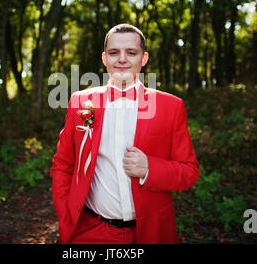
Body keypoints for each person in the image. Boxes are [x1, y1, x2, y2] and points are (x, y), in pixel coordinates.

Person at [50, 23, 199, 244]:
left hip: (150, 232)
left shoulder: (171, 106)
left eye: (131, 52)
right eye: (114, 53)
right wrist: (66, 213)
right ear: (104, 59)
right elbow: (63, 163)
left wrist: (150, 167)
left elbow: (189, 172)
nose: (122, 59)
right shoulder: (80, 102)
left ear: (144, 58)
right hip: (90, 231)